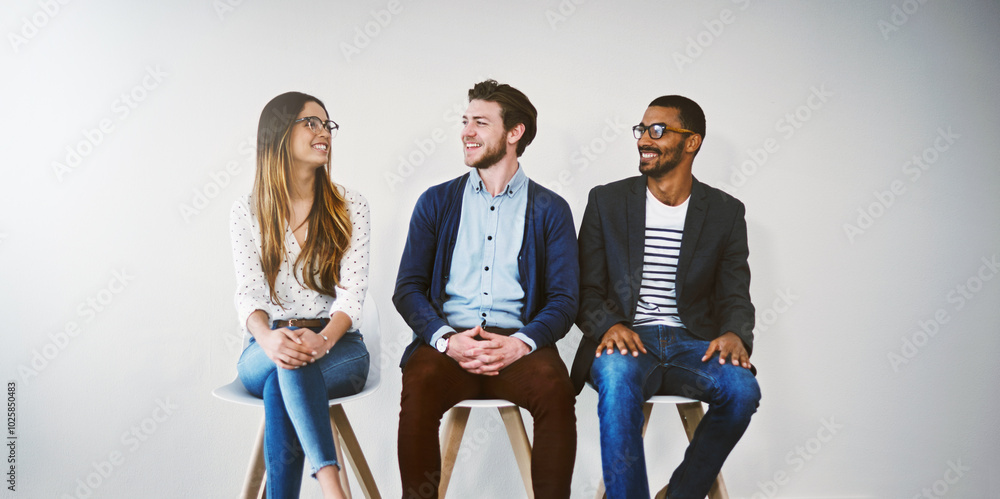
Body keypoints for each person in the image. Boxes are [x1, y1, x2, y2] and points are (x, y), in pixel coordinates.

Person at [393, 80, 579, 498]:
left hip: (518, 346)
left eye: (480, 122)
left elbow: (566, 301)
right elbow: (407, 289)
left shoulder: (551, 209)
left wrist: (522, 344)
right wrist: (446, 340)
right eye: (465, 121)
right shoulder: (436, 202)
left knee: (556, 389)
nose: (467, 132)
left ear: (515, 133)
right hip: (449, 343)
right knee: (419, 381)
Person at [570, 95, 761, 499]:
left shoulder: (725, 212)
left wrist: (735, 334)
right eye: (641, 130)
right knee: (618, 380)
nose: (644, 140)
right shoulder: (606, 201)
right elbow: (585, 290)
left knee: (743, 391)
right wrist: (611, 325)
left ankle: (680, 494)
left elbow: (735, 294)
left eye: (657, 131)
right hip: (627, 341)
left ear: (691, 142)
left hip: (694, 345)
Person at [230, 91, 371, 499]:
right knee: (285, 361)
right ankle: (333, 487)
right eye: (311, 123)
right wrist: (269, 339)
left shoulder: (351, 206)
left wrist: (324, 339)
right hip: (264, 344)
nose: (323, 132)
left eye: (327, 124)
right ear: (279, 134)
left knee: (285, 376)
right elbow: (249, 295)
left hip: (340, 346)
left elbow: (352, 295)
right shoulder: (248, 210)